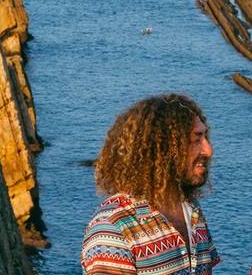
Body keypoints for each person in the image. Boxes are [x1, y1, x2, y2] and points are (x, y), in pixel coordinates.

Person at [81, 94, 219, 274]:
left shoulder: (191, 212)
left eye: (205, 137)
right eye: (196, 139)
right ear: (165, 148)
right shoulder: (113, 229)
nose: (208, 150)